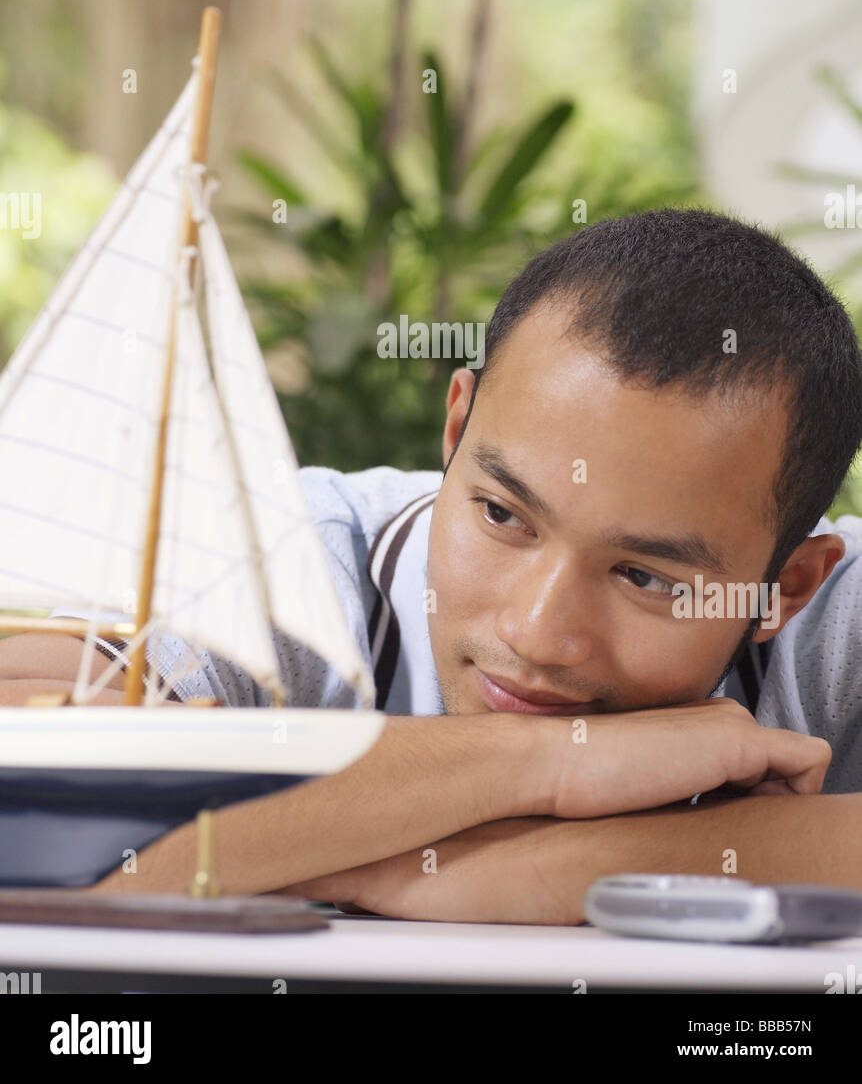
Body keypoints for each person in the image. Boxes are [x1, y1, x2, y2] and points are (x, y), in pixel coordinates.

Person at [4, 207, 862, 924]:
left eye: (646, 578)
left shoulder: (841, 632)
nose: (537, 634)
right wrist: (548, 762)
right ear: (456, 432)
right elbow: (28, 797)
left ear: (785, 587)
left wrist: (418, 865)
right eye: (501, 515)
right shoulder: (283, 557)